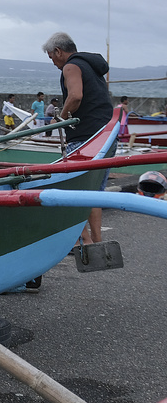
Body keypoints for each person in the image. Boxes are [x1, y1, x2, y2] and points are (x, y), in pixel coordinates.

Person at [42, 31, 114, 244]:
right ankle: (97, 243)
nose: (54, 63)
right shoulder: (92, 65)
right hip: (106, 135)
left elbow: (75, 95)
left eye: (52, 58)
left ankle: (82, 241)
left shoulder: (71, 66)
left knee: (73, 189)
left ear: (58, 51)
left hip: (84, 137)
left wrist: (60, 120)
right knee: (94, 192)